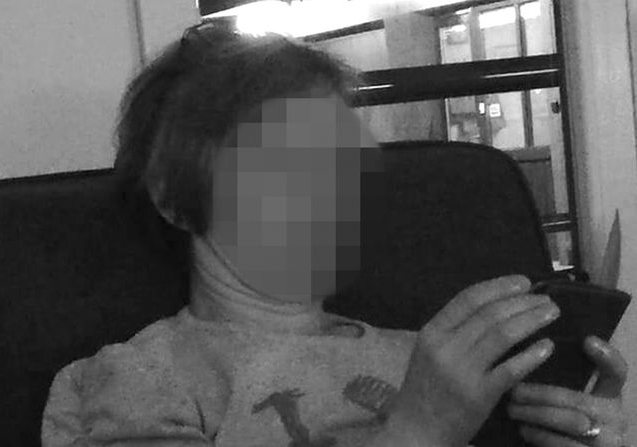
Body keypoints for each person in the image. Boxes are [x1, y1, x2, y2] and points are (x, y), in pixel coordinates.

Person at [41, 20, 630, 447]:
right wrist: (418, 432)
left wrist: (588, 432)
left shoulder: (436, 360)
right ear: (175, 196)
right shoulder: (138, 379)